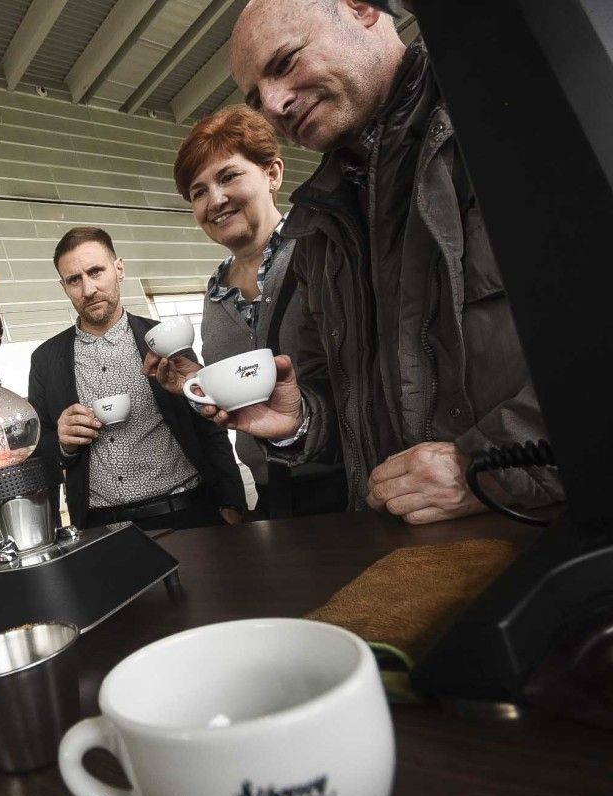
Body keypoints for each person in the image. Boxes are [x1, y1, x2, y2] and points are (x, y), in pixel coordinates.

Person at [152, 0, 562, 524]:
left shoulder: (514, 116)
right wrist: (298, 420)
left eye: (284, 62)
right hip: (399, 546)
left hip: (556, 538)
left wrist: (484, 466)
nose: (274, 105)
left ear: (363, 9)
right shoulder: (323, 225)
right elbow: (347, 406)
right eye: (257, 96)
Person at [156, 104, 347, 518]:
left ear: (273, 174)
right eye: (198, 191)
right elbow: (241, 402)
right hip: (272, 491)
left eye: (228, 177)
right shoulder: (215, 294)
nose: (216, 200)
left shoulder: (323, 249)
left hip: (351, 478)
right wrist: (196, 383)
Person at [29, 227, 247, 531]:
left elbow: (208, 424)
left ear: (119, 269)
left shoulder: (165, 339)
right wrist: (63, 444)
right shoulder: (45, 360)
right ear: (63, 286)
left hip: (187, 512)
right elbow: (38, 451)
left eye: (96, 271)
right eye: (74, 280)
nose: (88, 289)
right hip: (100, 527)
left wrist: (233, 503)